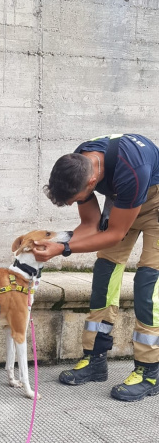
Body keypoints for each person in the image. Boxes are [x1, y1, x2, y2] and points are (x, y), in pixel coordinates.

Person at [32, 133, 159, 402]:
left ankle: (149, 373)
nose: (70, 203)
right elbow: (90, 225)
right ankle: (95, 360)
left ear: (92, 182)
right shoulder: (79, 162)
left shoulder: (132, 170)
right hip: (124, 202)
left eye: (73, 198)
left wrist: (64, 249)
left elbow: (114, 233)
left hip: (154, 203)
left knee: (148, 284)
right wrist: (53, 244)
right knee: (104, 274)